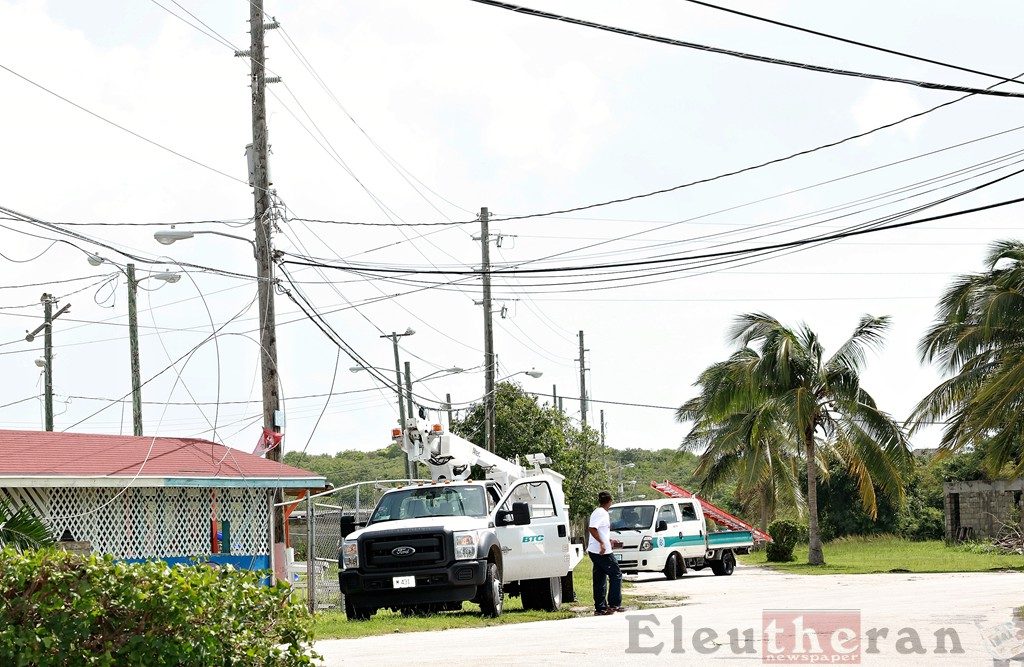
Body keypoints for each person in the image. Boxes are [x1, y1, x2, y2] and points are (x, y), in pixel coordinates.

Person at [587, 490, 624, 615]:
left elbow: (600, 531)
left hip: (595, 550)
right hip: (602, 551)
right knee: (616, 574)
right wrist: (602, 543)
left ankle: (600, 607)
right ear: (609, 501)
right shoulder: (602, 513)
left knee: (600, 578)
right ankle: (614, 604)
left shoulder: (597, 512)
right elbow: (592, 529)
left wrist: (608, 540)